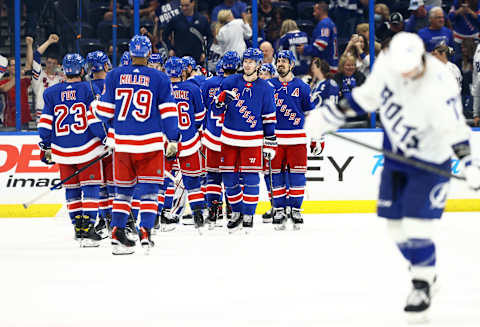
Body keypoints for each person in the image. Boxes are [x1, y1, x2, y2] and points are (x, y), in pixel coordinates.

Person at [306, 31, 480, 320]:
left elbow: (455, 130)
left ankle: (421, 284)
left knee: (417, 225)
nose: (406, 75)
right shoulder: (387, 67)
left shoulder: (440, 83)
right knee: (395, 228)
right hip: (396, 158)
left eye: (411, 69)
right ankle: (427, 272)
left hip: (430, 162)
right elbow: (363, 100)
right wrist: (327, 118)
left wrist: (469, 163)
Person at [95, 35, 180, 255]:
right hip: (150, 146)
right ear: (149, 53)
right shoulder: (160, 78)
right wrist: (173, 138)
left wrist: (95, 106)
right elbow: (169, 112)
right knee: (150, 193)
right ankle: (145, 233)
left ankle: (117, 236)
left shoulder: (114, 75)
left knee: (122, 193)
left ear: (130, 53)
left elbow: (104, 113)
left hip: (123, 146)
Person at [38, 53, 106, 247]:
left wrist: (46, 144)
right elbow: (94, 120)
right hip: (88, 148)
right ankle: (89, 228)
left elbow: (45, 124)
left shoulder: (51, 93)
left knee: (72, 189)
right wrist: (106, 138)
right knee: (90, 187)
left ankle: (77, 227)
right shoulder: (89, 88)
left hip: (62, 151)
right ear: (82, 70)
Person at [214, 47, 277, 233]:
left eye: (251, 61)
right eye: (245, 61)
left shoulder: (266, 88)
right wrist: (220, 101)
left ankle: (248, 214)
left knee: (251, 178)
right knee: (228, 178)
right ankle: (236, 212)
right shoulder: (229, 82)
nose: (247, 64)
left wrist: (270, 141)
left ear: (259, 64)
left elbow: (269, 118)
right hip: (228, 138)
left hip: (252, 140)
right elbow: (215, 110)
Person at [265, 50, 314, 230]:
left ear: (292, 64)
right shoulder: (268, 85)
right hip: (274, 140)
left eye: (285, 61)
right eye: (278, 61)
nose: (280, 64)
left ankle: (295, 209)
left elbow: (311, 114)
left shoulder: (302, 87)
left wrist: (317, 138)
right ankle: (278, 209)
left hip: (297, 139)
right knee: (275, 176)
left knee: (297, 176)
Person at [163, 56, 206, 231]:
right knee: (193, 180)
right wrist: (190, 130)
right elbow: (200, 117)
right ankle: (198, 215)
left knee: (163, 180)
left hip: (166, 142)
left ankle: (161, 215)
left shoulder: (161, 89)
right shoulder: (192, 88)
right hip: (189, 141)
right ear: (182, 71)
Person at [201, 51, 241, 227]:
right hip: (232, 138)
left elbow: (202, 110)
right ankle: (232, 208)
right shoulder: (241, 84)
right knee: (233, 176)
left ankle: (213, 210)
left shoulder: (208, 84)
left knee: (213, 176)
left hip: (212, 136)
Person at [86, 50, 114, 239]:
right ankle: (118, 220)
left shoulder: (85, 87)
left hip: (92, 144)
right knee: (116, 184)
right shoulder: (113, 85)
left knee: (102, 185)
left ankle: (105, 218)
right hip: (114, 141)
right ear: (105, 65)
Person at [296, 1, 339, 73]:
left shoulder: (325, 24)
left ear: (321, 11)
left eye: (315, 11)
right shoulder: (329, 23)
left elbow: (321, 45)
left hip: (327, 66)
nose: (313, 14)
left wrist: (305, 49)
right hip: (331, 63)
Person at [164, 0, 212, 64]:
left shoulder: (202, 19)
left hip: (197, 59)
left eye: (186, 5)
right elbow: (164, 35)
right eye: (182, 6)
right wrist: (170, 49)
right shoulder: (175, 20)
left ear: (193, 3)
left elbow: (210, 37)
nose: (184, 8)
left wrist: (205, 52)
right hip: (179, 58)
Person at [0, 37, 33, 129]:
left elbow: (28, 65)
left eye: (17, 65)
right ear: (8, 68)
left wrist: (29, 45)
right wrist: (18, 76)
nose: (15, 67)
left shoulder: (23, 80)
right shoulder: (3, 81)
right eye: (13, 65)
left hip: (24, 119)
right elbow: (5, 88)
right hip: (9, 120)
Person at [31, 34, 64, 123]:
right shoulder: (39, 75)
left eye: (54, 63)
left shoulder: (62, 78)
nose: (51, 65)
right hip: (42, 114)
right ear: (45, 62)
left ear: (58, 65)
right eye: (49, 63)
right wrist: (49, 41)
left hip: (59, 114)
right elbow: (36, 55)